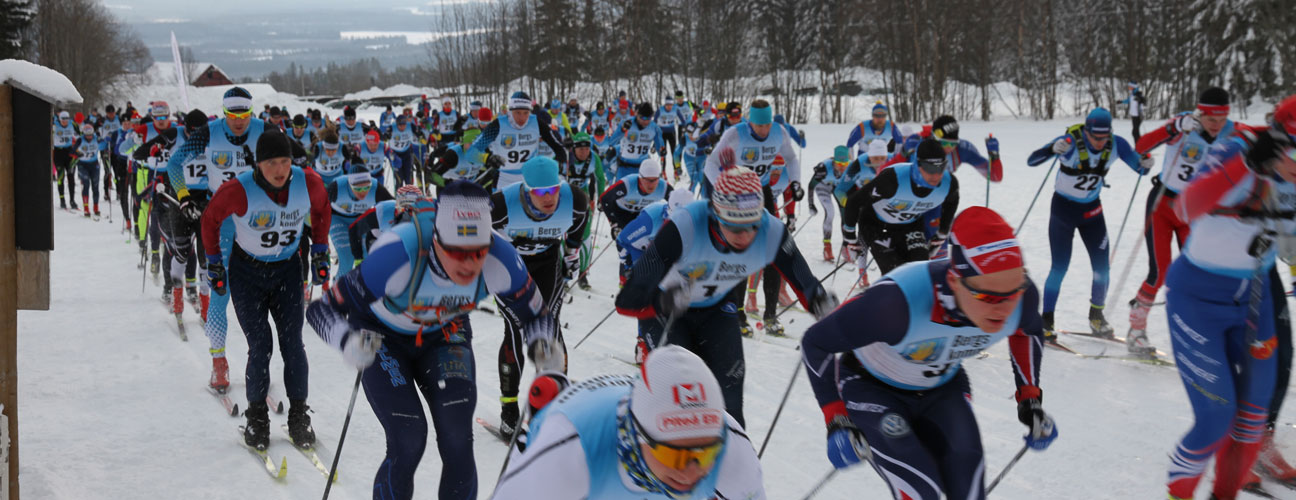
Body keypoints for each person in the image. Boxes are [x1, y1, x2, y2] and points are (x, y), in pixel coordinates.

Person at [307, 180, 554, 499]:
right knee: (408, 437)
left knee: (457, 438)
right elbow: (321, 310)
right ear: (435, 241)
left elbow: (538, 316)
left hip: (445, 335)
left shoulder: (501, 258)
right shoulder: (398, 252)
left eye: (478, 252)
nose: (468, 265)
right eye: (456, 252)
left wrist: (543, 346)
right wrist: (346, 341)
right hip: (383, 338)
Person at [802, 206, 1056, 500]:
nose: (1004, 308)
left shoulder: (1021, 298)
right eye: (987, 296)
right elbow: (816, 342)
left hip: (942, 388)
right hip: (870, 388)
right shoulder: (897, 305)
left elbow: (1028, 332)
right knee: (923, 492)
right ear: (954, 282)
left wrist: (1030, 400)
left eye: (1014, 293)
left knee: (969, 489)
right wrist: (836, 418)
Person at [614, 166, 835, 427]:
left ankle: (734, 460)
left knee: (729, 399)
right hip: (667, 314)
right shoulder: (686, 225)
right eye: (733, 226)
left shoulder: (772, 231)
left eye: (752, 225)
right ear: (716, 215)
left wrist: (820, 302)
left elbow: (806, 284)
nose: (743, 236)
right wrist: (662, 302)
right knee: (677, 400)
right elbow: (627, 300)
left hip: (717, 309)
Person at [1162, 98, 1296, 500]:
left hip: (1254, 300)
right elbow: (1186, 207)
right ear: (1278, 138)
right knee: (1216, 419)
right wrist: (1249, 166)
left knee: (1253, 421)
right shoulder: (1238, 146)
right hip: (1197, 300)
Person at [492, 346, 766, 500]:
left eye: (705, 455)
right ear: (638, 435)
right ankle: (548, 401)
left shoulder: (731, 448)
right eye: (673, 455)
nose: (689, 472)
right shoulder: (569, 449)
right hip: (580, 428)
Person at [202, 130, 331, 450]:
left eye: (285, 161)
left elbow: (322, 210)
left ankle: (299, 416)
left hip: (287, 272)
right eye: (271, 163)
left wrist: (319, 249)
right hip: (248, 275)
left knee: (293, 344)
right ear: (258, 164)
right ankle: (257, 417)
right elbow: (209, 220)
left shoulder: (309, 182)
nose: (279, 170)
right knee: (261, 345)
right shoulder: (239, 189)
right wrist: (215, 261)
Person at [169, 86, 268, 389]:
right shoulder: (208, 132)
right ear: (223, 113)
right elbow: (175, 163)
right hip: (222, 220)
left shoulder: (265, 131)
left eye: (245, 115)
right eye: (232, 115)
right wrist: (184, 197)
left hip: (258, 220)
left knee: (261, 294)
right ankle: (219, 363)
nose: (239, 121)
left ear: (252, 112)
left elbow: (291, 164)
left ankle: (258, 360)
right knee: (220, 292)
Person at [1127, 87, 1239, 354]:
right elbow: (1141, 147)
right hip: (1163, 205)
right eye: (1212, 120)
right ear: (1201, 113)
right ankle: (1136, 329)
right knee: (1160, 272)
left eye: (1222, 120)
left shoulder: (1231, 130)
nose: (1217, 126)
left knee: (1199, 273)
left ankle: (1200, 333)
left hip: (1194, 210)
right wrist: (1173, 128)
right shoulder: (1185, 124)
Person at [1024, 108, 1150, 341]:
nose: (1101, 142)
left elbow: (1140, 168)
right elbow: (1032, 161)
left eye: (1104, 137)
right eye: (1096, 137)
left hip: (1092, 212)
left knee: (1102, 268)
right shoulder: (1070, 141)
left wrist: (1145, 162)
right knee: (1059, 267)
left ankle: (1096, 316)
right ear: (1087, 131)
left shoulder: (1116, 144)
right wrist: (1052, 149)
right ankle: (1046, 319)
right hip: (1063, 211)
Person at [490, 156, 589, 437]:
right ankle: (509, 407)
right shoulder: (500, 205)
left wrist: (571, 255)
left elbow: (577, 232)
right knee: (515, 330)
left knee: (549, 330)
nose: (549, 198)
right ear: (526, 190)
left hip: (547, 266)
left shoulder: (575, 200)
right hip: (511, 270)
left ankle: (551, 403)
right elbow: (476, 236)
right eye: (541, 193)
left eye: (554, 190)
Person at [700, 100, 804, 335]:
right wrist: (724, 187)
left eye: (767, 125)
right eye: (759, 126)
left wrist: (796, 182)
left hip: (762, 191)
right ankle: (736, 314)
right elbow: (711, 164)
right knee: (740, 252)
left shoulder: (779, 132)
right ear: (750, 123)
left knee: (775, 251)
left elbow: (792, 158)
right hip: (737, 194)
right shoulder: (734, 134)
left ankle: (770, 316)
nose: (764, 130)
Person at [842, 138, 959, 275]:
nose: (936, 174)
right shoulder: (893, 180)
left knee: (920, 272)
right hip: (877, 225)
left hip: (911, 225)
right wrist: (849, 238)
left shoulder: (948, 184)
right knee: (896, 274)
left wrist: (941, 235)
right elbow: (854, 201)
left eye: (941, 167)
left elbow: (952, 202)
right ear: (918, 164)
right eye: (930, 168)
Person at [617, 190, 695, 363]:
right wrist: (629, 265)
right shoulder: (650, 220)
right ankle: (643, 345)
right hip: (640, 255)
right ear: (667, 210)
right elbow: (623, 240)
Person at [467, 91, 567, 189]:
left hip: (530, 178)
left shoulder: (536, 123)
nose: (522, 118)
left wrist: (559, 161)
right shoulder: (497, 125)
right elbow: (470, 153)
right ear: (510, 111)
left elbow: (557, 146)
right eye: (517, 113)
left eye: (526, 113)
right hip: (504, 179)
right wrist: (487, 158)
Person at [599, 158, 672, 283]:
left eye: (655, 180)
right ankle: (624, 281)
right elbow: (605, 198)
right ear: (640, 178)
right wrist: (614, 224)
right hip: (622, 213)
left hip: (642, 215)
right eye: (648, 181)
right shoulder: (628, 184)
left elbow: (677, 204)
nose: (651, 184)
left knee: (645, 247)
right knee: (626, 246)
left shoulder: (663, 187)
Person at [562, 132, 607, 290]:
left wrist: (601, 198)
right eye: (580, 149)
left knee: (585, 237)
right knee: (563, 238)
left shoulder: (594, 158)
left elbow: (601, 178)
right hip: (564, 199)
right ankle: (563, 275)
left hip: (583, 199)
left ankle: (583, 274)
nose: (584, 152)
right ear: (574, 148)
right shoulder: (566, 156)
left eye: (587, 148)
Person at [329, 168, 393, 279]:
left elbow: (392, 206)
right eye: (357, 188)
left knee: (366, 256)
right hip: (338, 219)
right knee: (347, 258)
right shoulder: (337, 187)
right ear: (349, 185)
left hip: (361, 220)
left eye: (366, 187)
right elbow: (319, 206)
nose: (363, 192)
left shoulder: (376, 188)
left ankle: (362, 289)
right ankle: (338, 290)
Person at [605, 102, 667, 180]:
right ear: (637, 115)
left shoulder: (655, 128)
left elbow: (660, 148)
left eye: (649, 118)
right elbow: (611, 142)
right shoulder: (627, 123)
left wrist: (662, 151)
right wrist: (622, 130)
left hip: (642, 167)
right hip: (624, 166)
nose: (646, 121)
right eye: (643, 118)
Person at [71, 123, 105, 218]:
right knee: (86, 185)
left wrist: (105, 142)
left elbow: (104, 144)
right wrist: (79, 153)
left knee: (95, 186)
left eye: (91, 135)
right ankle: (86, 208)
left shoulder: (96, 137)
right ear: (84, 134)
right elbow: (73, 150)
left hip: (94, 164)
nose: (89, 137)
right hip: (83, 165)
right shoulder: (80, 139)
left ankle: (96, 207)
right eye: (87, 135)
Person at [654, 97, 687, 179]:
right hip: (662, 133)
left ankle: (675, 171)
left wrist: (685, 127)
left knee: (674, 152)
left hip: (671, 133)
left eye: (671, 105)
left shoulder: (675, 109)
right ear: (665, 104)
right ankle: (663, 171)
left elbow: (683, 120)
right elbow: (654, 121)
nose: (669, 107)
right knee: (663, 152)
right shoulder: (660, 110)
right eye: (668, 105)